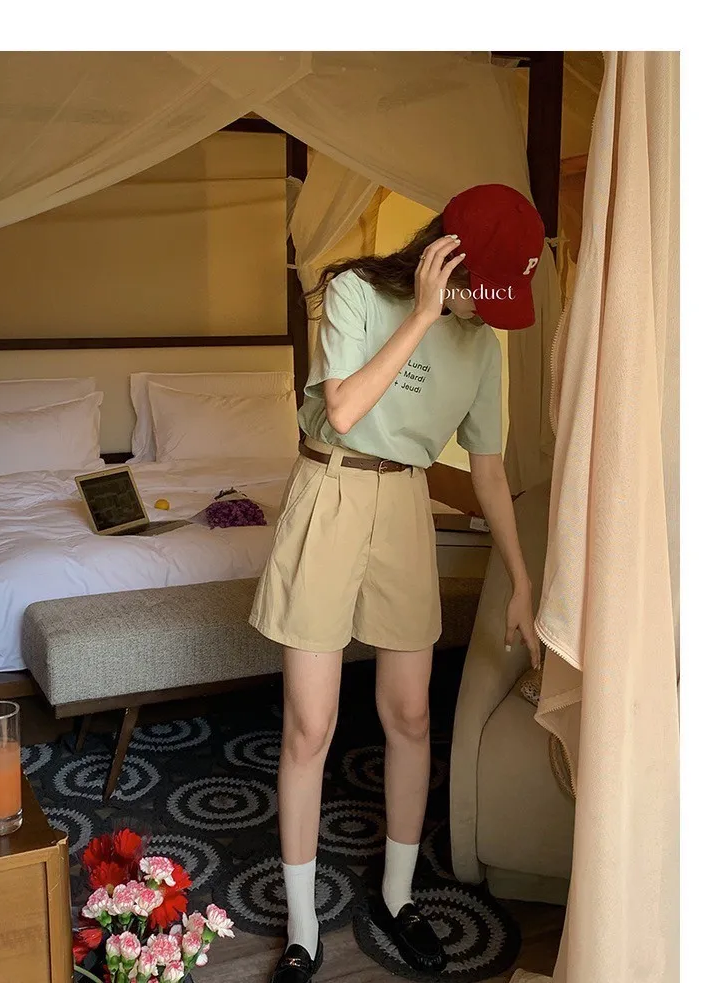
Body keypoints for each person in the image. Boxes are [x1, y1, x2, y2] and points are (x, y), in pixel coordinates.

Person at [249, 183, 545, 982]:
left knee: (411, 714)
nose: (486, 310)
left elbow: (488, 473)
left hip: (406, 504)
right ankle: (303, 927)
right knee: (310, 725)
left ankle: (397, 895)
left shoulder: (483, 345)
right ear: (446, 257)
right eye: (481, 290)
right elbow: (343, 410)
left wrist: (521, 578)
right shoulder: (356, 293)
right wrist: (421, 314)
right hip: (330, 490)